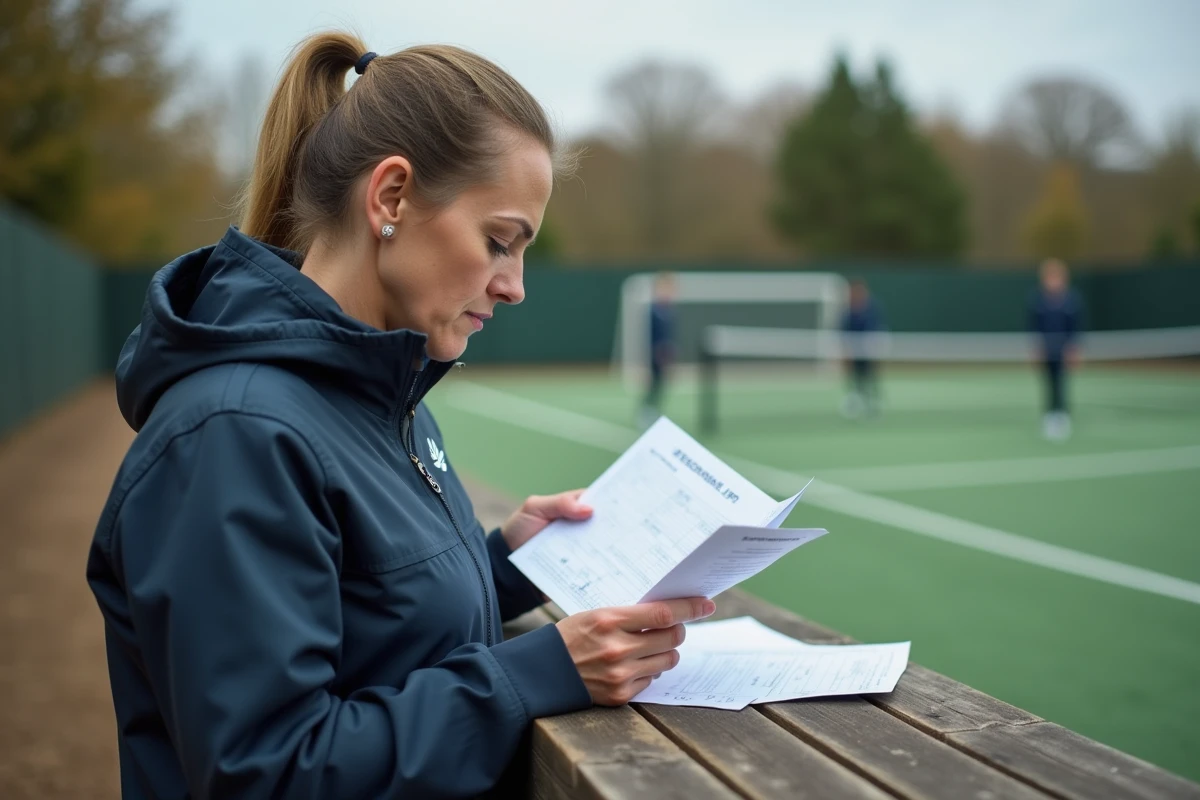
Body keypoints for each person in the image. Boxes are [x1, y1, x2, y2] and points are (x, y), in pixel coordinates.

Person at [85, 34, 714, 800]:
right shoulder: (233, 434)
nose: (514, 286)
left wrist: (507, 565)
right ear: (390, 197)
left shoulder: (386, 393)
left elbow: (358, 615)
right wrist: (540, 672)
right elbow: (271, 773)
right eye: (498, 242)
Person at [1029, 258, 1083, 441]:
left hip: (1063, 350)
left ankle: (1063, 416)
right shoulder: (1038, 301)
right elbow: (1034, 327)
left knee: (1062, 383)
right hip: (1046, 350)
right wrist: (1037, 349)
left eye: (1056, 276)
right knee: (1049, 383)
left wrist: (1073, 350)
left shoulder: (1071, 301)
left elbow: (1076, 328)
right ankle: (1049, 416)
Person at [840, 278, 885, 418]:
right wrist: (847, 351)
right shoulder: (847, 311)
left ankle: (873, 403)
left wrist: (874, 349)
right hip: (854, 351)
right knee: (855, 378)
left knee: (870, 377)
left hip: (869, 350)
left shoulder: (873, 309)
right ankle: (855, 402)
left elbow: (877, 331)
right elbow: (843, 333)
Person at [639, 271, 677, 429]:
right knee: (653, 384)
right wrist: (657, 352)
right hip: (654, 355)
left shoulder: (670, 311)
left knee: (662, 384)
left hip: (665, 354)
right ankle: (645, 410)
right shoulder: (653, 311)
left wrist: (670, 350)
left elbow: (671, 334)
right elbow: (651, 336)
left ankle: (655, 410)